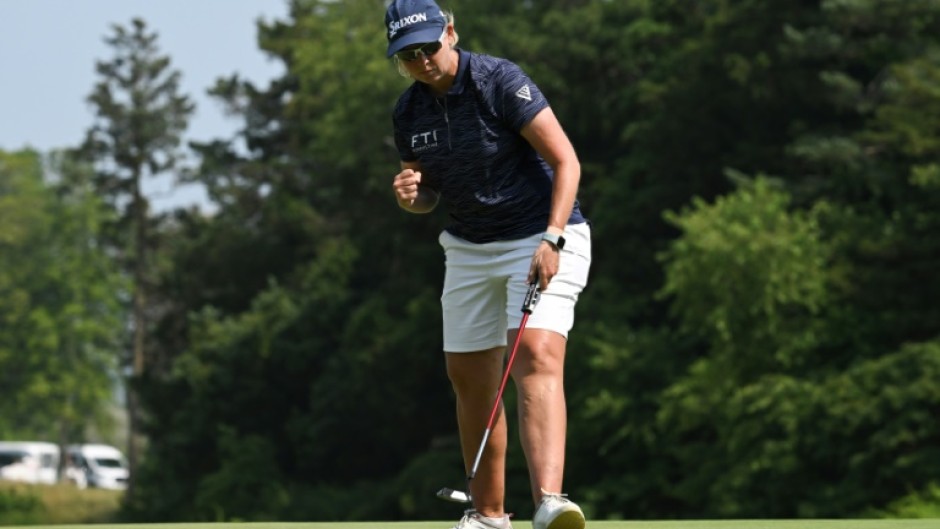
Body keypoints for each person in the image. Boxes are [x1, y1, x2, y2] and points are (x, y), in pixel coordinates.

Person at [386, 1, 591, 528]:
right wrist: (414, 194)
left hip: (542, 231)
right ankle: (489, 516)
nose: (423, 61)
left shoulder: (498, 80)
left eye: (429, 47)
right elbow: (427, 194)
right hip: (470, 247)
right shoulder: (408, 112)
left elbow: (566, 159)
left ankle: (550, 502)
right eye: (408, 55)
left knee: (535, 352)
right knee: (470, 377)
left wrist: (554, 238)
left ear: (450, 32)